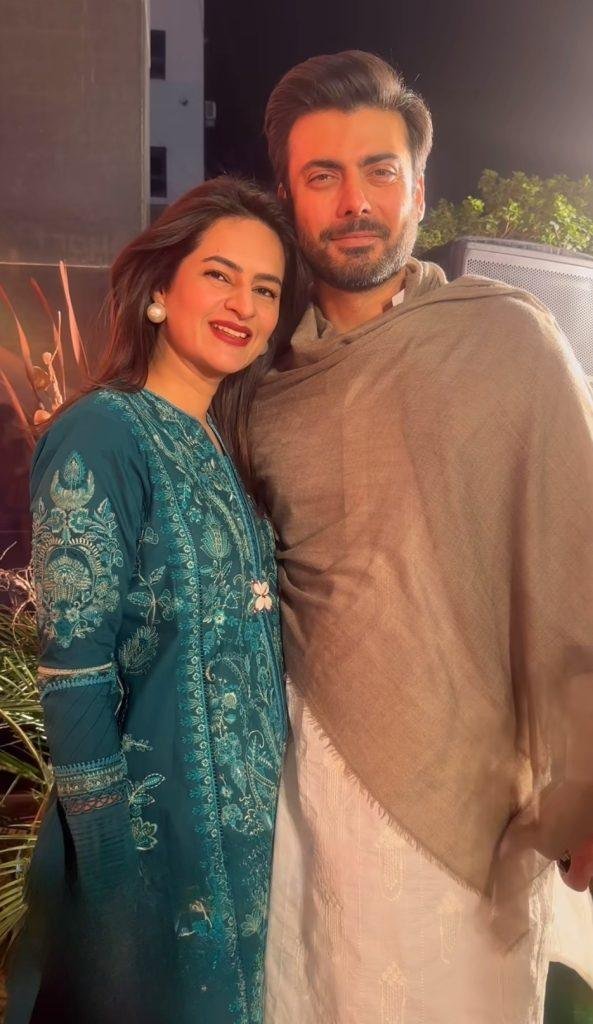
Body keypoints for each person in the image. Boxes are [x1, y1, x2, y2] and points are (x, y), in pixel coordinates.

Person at [249, 51, 593, 1024]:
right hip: (303, 807)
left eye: (379, 170)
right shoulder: (263, 382)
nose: (353, 201)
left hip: (477, 800)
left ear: (418, 188)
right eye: (322, 175)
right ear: (288, 196)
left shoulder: (507, 338)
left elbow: (576, 557)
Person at [5, 176, 307, 1024]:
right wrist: (110, 873)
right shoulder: (103, 433)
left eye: (265, 289)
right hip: (149, 851)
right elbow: (74, 674)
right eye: (219, 275)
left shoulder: (225, 443)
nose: (243, 305)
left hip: (246, 845)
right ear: (158, 291)